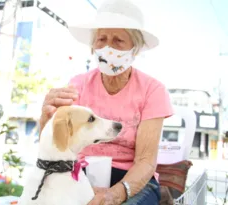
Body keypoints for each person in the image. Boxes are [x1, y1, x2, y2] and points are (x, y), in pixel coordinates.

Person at [40, 0, 173, 204]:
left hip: (133, 181)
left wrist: (115, 194)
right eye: (101, 39)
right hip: (82, 175)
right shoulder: (78, 85)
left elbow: (145, 162)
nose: (108, 47)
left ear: (135, 49)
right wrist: (45, 117)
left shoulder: (152, 90)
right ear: (93, 47)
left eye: (118, 40)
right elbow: (57, 145)